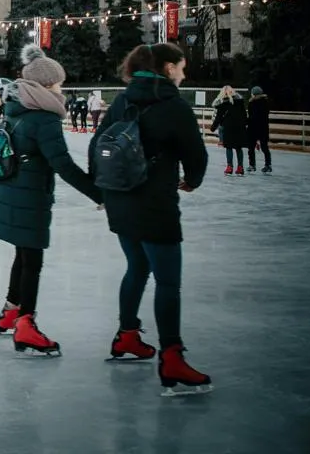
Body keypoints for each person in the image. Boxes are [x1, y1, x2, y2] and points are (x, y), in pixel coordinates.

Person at [89, 42, 211, 396]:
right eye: (181, 67)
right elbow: (196, 155)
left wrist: (104, 190)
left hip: (120, 200)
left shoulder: (123, 100)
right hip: (155, 203)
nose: (184, 74)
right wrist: (192, 180)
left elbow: (97, 146)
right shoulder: (174, 105)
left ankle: (127, 335)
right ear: (168, 68)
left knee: (137, 266)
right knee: (168, 281)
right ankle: (172, 357)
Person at [0, 44, 101, 356]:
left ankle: (10, 311)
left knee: (24, 254)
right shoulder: (44, 118)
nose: (61, 89)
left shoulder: (15, 107)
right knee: (32, 261)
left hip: (10, 193)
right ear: (46, 85)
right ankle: (26, 326)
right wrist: (99, 194)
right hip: (28, 198)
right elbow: (63, 164)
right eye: (58, 84)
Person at [211, 85, 248, 176]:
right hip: (239, 128)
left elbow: (218, 118)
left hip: (228, 128)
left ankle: (229, 167)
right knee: (238, 148)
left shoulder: (223, 104)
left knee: (229, 147)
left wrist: (213, 127)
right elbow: (244, 115)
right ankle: (240, 167)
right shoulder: (240, 102)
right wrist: (244, 125)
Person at [247, 86, 271, 174]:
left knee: (251, 148)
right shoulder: (266, 102)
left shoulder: (252, 103)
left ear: (254, 94)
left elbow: (251, 117)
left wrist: (247, 122)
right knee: (264, 147)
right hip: (263, 128)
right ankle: (268, 164)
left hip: (253, 128)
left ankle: (252, 165)